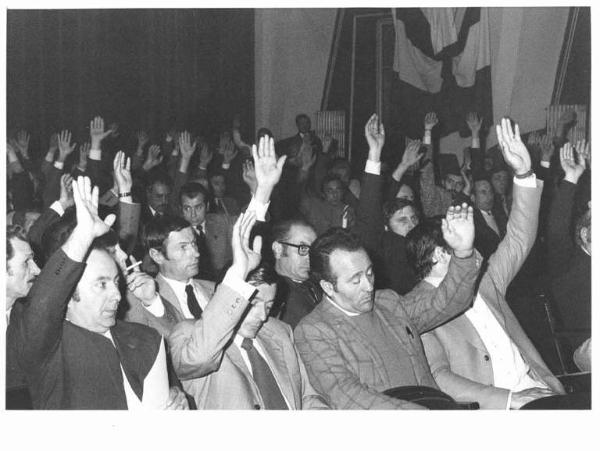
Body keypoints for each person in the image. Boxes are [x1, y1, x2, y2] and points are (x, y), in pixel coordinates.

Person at [294, 115, 483, 409]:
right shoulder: (314, 331)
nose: (369, 285)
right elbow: (348, 396)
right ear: (327, 287)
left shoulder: (390, 303)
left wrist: (463, 253)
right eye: (355, 280)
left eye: (369, 273)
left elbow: (450, 301)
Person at [414, 118, 565, 409]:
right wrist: (509, 399)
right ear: (438, 255)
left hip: (541, 391)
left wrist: (523, 173)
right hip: (497, 409)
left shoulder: (485, 281)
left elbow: (519, 237)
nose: (477, 250)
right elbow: (438, 377)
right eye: (464, 241)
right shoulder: (418, 309)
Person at [7, 176, 180, 409]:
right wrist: (82, 237)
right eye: (101, 284)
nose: (118, 295)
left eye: (116, 282)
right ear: (67, 293)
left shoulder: (146, 340)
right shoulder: (48, 346)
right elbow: (42, 307)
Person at [546, 140, 590, 350]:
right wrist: (571, 178)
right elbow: (556, 229)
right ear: (585, 234)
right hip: (586, 344)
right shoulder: (569, 264)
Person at [270, 219, 320, 328]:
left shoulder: (319, 284)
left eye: (313, 252)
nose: (310, 258)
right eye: (303, 249)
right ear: (278, 249)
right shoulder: (272, 295)